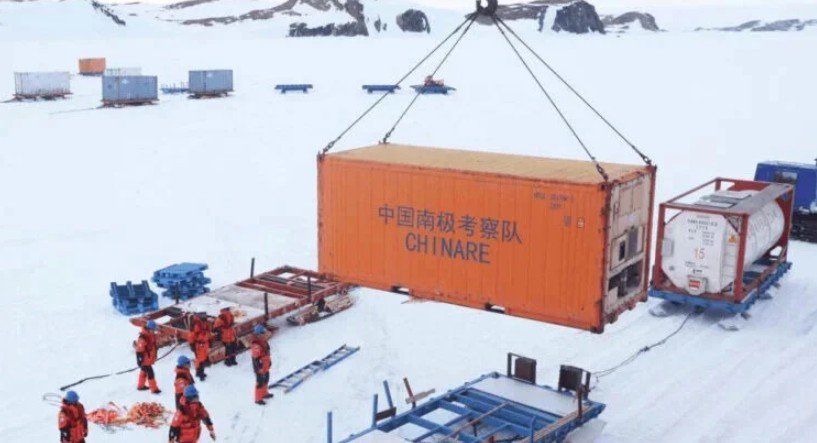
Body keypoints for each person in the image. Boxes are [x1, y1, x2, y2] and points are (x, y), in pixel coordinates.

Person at [134, 320, 161, 394]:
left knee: (143, 371)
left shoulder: (150, 334)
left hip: (148, 358)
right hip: (145, 360)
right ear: (149, 329)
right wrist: (139, 360)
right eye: (153, 330)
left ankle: (140, 386)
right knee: (150, 373)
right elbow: (139, 350)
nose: (154, 331)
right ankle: (154, 389)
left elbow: (154, 340)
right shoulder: (143, 338)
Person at [250, 324, 274, 405]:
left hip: (265, 365)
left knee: (266, 379)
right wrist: (259, 368)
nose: (265, 334)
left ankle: (264, 393)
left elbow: (267, 353)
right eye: (263, 333)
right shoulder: (256, 345)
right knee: (260, 382)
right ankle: (258, 399)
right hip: (260, 367)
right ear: (258, 335)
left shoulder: (264, 342)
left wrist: (269, 362)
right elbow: (255, 358)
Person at [188, 315, 211, 381]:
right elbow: (191, 335)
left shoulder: (204, 324)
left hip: (204, 344)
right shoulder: (196, 325)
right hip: (198, 346)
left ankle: (200, 372)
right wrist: (192, 345)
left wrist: (209, 342)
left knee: (203, 359)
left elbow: (208, 334)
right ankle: (200, 374)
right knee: (199, 360)